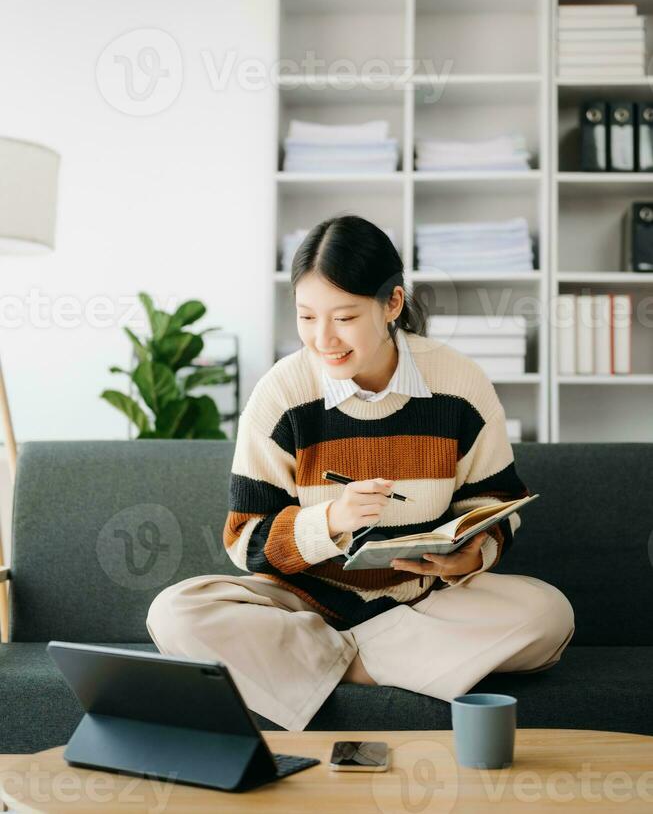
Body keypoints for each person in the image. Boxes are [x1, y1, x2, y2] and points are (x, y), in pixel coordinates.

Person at [146, 214, 574, 731]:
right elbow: (245, 538)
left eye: (344, 317)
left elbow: (495, 499)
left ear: (392, 303)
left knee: (549, 616)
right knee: (175, 613)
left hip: (423, 603)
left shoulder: (459, 383)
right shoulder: (281, 394)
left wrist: (470, 555)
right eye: (306, 317)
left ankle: (319, 667)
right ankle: (387, 662)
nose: (322, 339)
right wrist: (326, 523)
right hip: (303, 605)